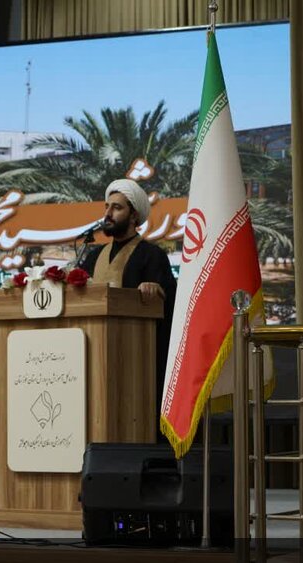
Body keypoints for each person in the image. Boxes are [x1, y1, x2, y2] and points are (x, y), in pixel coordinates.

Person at [78, 179, 177, 433]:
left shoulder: (152, 255)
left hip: (136, 360)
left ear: (134, 215)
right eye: (107, 207)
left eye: (117, 208)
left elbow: (169, 303)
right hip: (93, 356)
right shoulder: (93, 255)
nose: (108, 214)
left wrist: (155, 290)